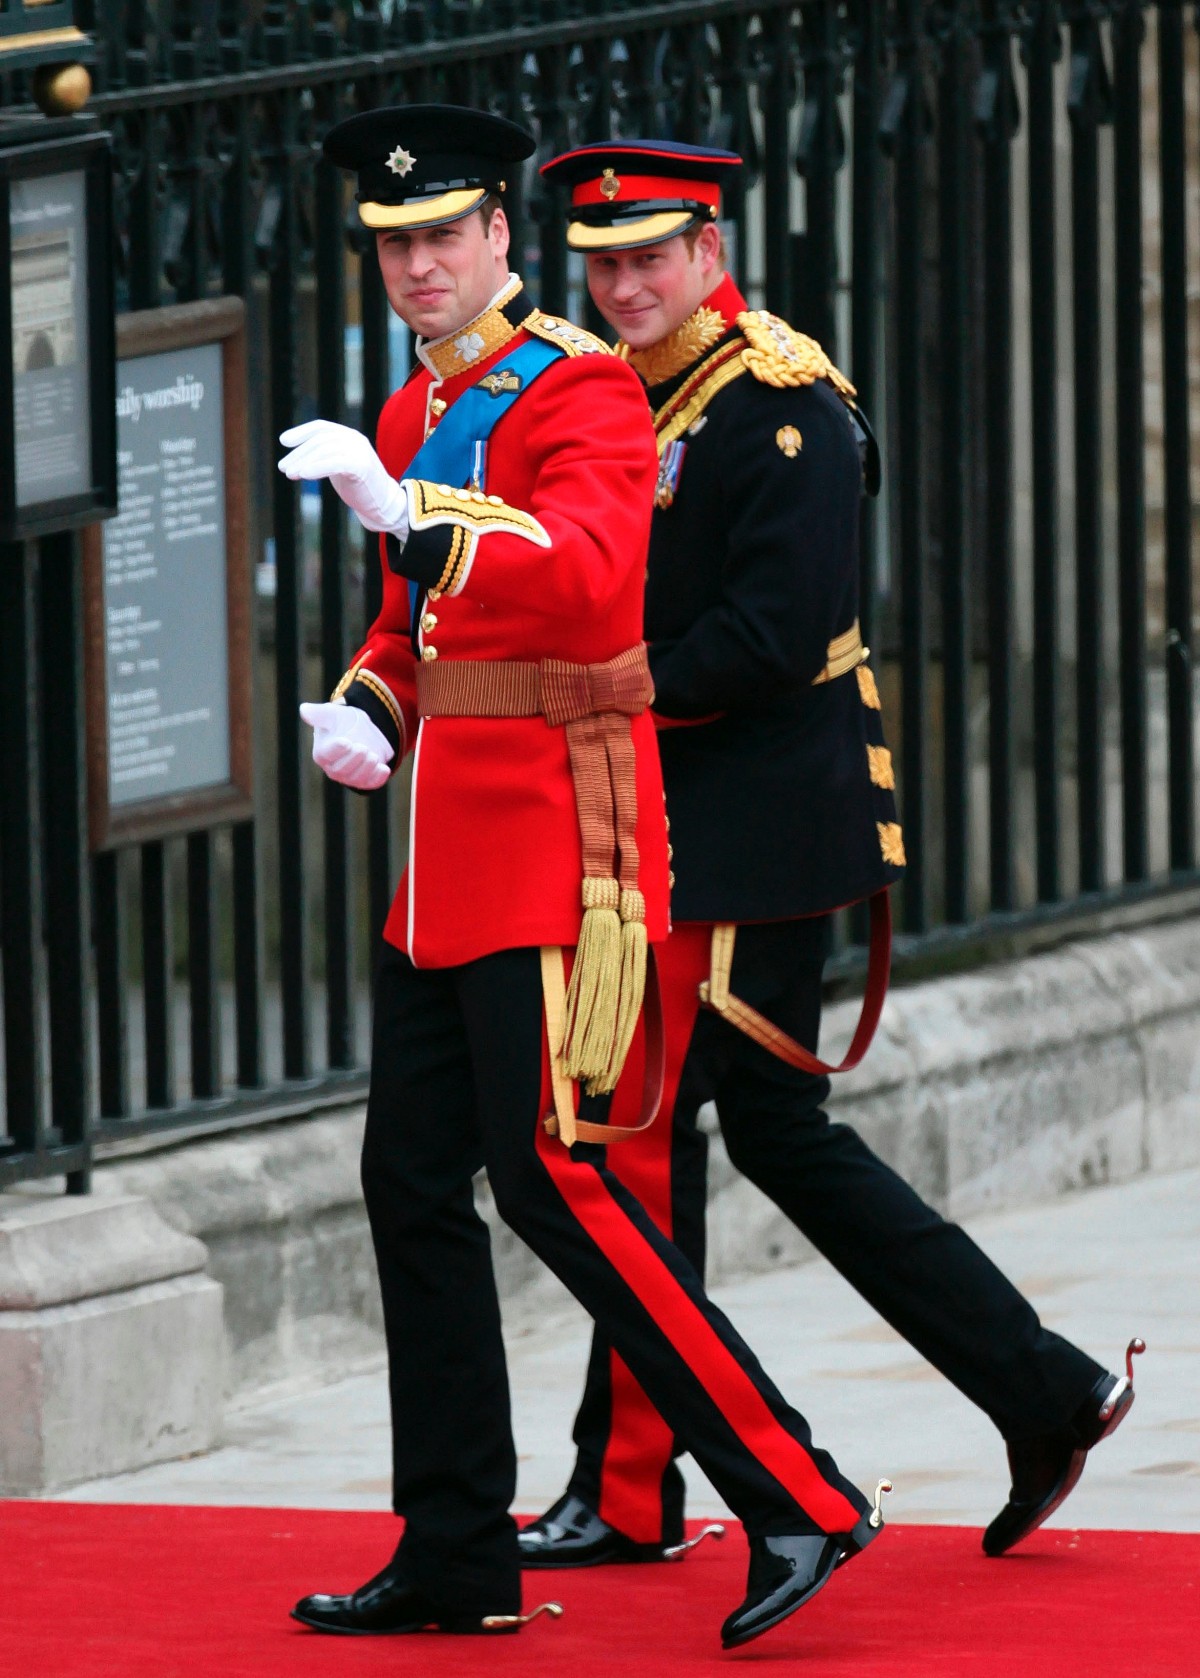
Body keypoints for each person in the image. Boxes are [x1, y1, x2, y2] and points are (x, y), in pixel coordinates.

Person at [276, 104, 889, 1652]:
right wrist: (368, 707)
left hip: (559, 848)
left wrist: (409, 518)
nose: (417, 264)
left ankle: (797, 1491)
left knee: (561, 1181)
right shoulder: (416, 413)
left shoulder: (587, 386)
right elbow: (408, 632)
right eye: (394, 244)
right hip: (440, 863)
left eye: (443, 237)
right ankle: (456, 1544)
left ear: (498, 240)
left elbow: (589, 574)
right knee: (410, 1183)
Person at [520, 137, 1142, 1573]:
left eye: (649, 257)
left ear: (711, 248)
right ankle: (1040, 1387)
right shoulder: (626, 393)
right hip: (680, 825)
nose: (623, 284)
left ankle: (632, 1488)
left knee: (656, 1142)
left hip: (757, 833)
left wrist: (590, 687)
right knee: (692, 1138)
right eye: (603, 262)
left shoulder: (779, 405)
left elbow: (768, 641)